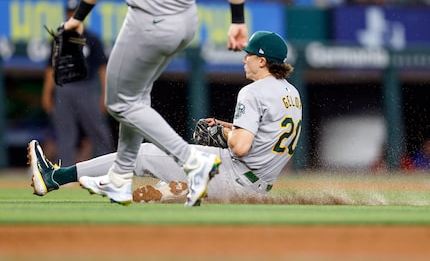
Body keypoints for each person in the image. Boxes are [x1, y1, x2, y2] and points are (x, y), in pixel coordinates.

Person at [29, 31, 302, 204]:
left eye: (249, 55)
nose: (245, 60)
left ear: (263, 61)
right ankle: (173, 189)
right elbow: (265, 133)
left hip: (233, 175)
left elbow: (240, 145)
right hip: (258, 185)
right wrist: (227, 126)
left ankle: (54, 177)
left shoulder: (252, 92)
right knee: (168, 175)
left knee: (141, 153)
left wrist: (227, 135)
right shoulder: (291, 93)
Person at [46, 0, 248, 207]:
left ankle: (192, 162)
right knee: (136, 97)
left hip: (150, 19)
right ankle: (120, 179)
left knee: (119, 102)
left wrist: (79, 16)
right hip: (187, 19)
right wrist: (238, 19)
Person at [41, 0, 115, 167]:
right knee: (65, 131)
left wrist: (105, 94)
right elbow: (51, 68)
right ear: (66, 15)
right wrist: (47, 93)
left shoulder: (92, 38)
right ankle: (65, 170)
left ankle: (108, 167)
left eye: (76, 12)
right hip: (63, 88)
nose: (73, 15)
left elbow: (102, 68)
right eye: (70, 12)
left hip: (86, 88)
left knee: (97, 128)